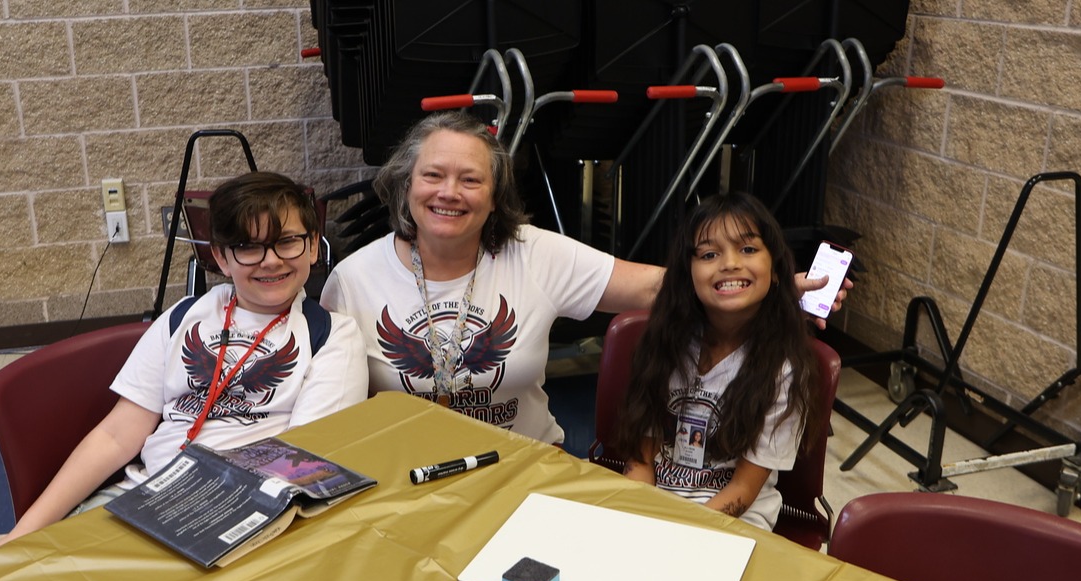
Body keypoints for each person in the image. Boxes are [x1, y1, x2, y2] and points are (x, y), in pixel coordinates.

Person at [0, 172, 366, 581]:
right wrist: (16, 538)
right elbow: (116, 436)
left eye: (287, 241)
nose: (271, 260)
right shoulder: (185, 315)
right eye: (248, 247)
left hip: (239, 516)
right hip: (141, 496)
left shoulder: (329, 335)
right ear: (221, 257)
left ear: (313, 246)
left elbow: (297, 465)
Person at [321, 111, 847, 444]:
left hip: (526, 468)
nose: (448, 192)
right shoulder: (354, 279)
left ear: (495, 194)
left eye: (470, 179)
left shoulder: (533, 254)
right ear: (405, 183)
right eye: (433, 175)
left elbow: (649, 286)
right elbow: (334, 409)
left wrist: (773, 289)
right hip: (411, 475)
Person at [614, 191, 820, 531]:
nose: (730, 264)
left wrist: (679, 531)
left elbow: (743, 490)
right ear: (688, 273)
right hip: (657, 509)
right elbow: (641, 460)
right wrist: (641, 517)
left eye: (748, 249)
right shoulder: (664, 343)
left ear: (777, 270)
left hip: (733, 520)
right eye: (709, 254)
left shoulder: (784, 370)